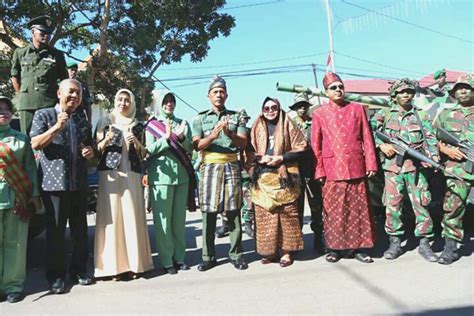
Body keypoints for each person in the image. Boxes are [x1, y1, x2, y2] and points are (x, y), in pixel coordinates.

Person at [30, 79, 94, 294]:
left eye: (78, 93)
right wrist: (57, 126)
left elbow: (89, 145)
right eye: (71, 92)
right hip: (53, 186)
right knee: (56, 233)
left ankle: (79, 270)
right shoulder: (44, 115)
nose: (75, 96)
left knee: (80, 231)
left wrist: (89, 152)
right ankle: (56, 276)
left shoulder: (82, 118)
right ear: (59, 93)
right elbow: (35, 143)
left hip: (78, 183)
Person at [370, 78, 439, 262]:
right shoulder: (384, 114)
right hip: (393, 169)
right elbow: (369, 134)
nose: (405, 95)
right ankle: (395, 242)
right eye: (401, 92)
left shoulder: (421, 115)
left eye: (409, 91)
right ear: (394, 95)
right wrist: (381, 146)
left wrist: (433, 158)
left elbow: (430, 139)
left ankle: (425, 243)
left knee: (421, 205)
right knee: (393, 207)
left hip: (416, 168)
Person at [311, 72, 377, 263]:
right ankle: (334, 249)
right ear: (326, 92)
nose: (338, 90)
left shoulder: (357, 109)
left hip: (356, 166)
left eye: (340, 87)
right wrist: (319, 170)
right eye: (333, 88)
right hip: (332, 170)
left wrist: (371, 163)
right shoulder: (319, 113)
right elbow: (316, 145)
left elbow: (367, 137)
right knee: (335, 211)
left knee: (359, 209)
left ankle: (360, 249)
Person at [93, 89, 153, 280]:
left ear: (132, 103)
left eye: (127, 100)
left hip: (132, 174)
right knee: (112, 218)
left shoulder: (138, 125)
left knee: (131, 217)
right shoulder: (105, 122)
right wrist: (106, 140)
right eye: (120, 99)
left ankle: (135, 265)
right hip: (110, 175)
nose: (123, 103)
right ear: (115, 101)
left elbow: (144, 154)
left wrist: (135, 142)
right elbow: (96, 151)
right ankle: (112, 267)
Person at [192, 76, 248, 271]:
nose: (219, 95)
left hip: (231, 165)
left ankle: (237, 254)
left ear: (227, 95)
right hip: (209, 167)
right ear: (208, 96)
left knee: (233, 212)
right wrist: (214, 135)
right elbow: (196, 144)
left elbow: (243, 143)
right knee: (208, 213)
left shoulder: (236, 116)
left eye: (222, 91)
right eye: (215, 92)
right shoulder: (200, 118)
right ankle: (208, 256)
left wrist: (229, 134)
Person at [247, 97, 306, 267]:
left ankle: (286, 252)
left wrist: (281, 157)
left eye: (274, 107)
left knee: (287, 217)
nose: (270, 111)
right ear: (262, 110)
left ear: (279, 109)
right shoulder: (256, 126)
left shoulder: (288, 124)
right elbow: (249, 152)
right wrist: (260, 158)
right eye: (266, 108)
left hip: (285, 176)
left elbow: (301, 148)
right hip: (263, 177)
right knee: (266, 217)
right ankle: (270, 252)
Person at [145, 89, 195, 275]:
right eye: (165, 101)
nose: (169, 104)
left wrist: (181, 138)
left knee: (178, 220)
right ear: (159, 103)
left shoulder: (182, 123)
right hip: (161, 178)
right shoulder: (152, 125)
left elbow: (191, 148)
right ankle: (166, 260)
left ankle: (179, 258)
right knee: (163, 221)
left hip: (181, 177)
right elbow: (148, 150)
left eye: (171, 101)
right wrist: (166, 139)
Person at [0, 96, 41, 303]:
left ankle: (13, 286)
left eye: (7, 108)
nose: (4, 112)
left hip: (17, 197)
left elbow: (30, 169)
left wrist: (33, 195)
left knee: (15, 243)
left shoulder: (21, 139)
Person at [434, 74, 473, 265]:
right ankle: (450, 247)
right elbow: (434, 139)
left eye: (467, 88)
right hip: (457, 169)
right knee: (453, 208)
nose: (463, 91)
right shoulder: (445, 114)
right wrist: (447, 149)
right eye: (459, 88)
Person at [10, 15, 68, 134]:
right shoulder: (20, 53)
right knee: (26, 138)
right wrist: (20, 96)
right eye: (43, 32)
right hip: (27, 104)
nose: (47, 36)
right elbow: (15, 76)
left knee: (49, 137)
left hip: (49, 103)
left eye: (49, 33)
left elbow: (65, 81)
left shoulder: (57, 55)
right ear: (33, 32)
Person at [289, 93, 324, 253]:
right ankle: (297, 240)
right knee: (296, 208)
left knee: (316, 206)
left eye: (304, 105)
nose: (302, 108)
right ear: (295, 108)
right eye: (299, 106)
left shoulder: (316, 122)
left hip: (313, 169)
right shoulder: (290, 124)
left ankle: (319, 238)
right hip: (295, 172)